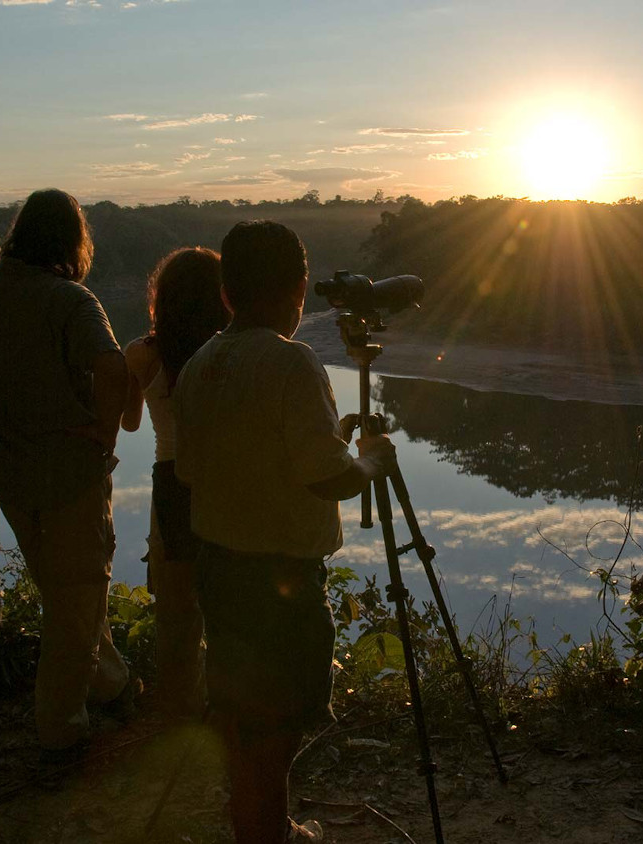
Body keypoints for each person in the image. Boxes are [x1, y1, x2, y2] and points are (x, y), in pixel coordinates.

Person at [172, 220, 394, 843]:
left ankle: (262, 824)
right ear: (299, 288)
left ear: (226, 293)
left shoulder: (201, 364)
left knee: (246, 718)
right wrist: (372, 460)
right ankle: (266, 832)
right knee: (277, 725)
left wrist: (337, 441)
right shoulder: (293, 362)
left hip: (219, 570)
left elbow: (205, 468)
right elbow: (327, 480)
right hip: (281, 584)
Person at [0, 188, 134, 752]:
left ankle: (109, 683)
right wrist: (104, 434)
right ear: (71, 243)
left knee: (67, 592)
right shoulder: (71, 301)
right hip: (68, 476)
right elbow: (112, 368)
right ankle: (63, 730)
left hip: (9, 474)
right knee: (76, 598)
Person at [119, 247, 228, 716]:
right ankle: (230, 710)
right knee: (229, 603)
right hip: (229, 479)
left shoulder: (144, 355)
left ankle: (180, 711)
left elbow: (128, 424)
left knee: (177, 614)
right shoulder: (230, 350)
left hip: (173, 481)